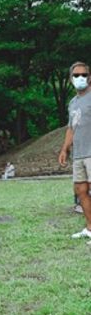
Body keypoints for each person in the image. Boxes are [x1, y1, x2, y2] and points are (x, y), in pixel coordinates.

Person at [58, 61, 91, 239]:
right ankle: (90, 228)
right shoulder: (72, 103)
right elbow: (71, 128)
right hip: (79, 154)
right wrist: (65, 149)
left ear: (89, 77)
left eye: (84, 75)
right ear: (71, 79)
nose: (80, 78)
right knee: (81, 190)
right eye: (76, 75)